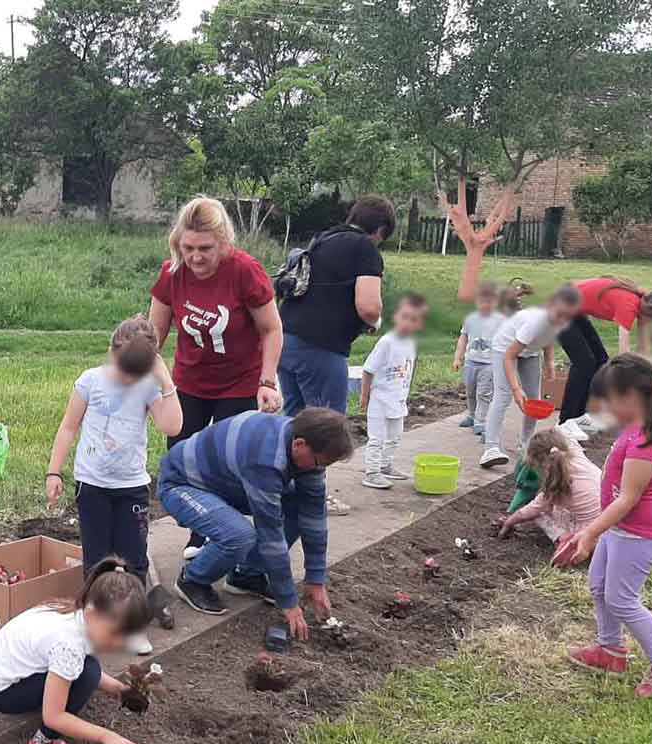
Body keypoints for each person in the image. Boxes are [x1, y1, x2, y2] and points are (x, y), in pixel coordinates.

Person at [148, 196, 285, 553]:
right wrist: (139, 375)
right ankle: (200, 529)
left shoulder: (244, 271)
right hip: (190, 381)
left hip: (239, 382)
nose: (195, 257)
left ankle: (227, 537)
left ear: (224, 241)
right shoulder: (172, 273)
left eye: (205, 248)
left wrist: (267, 381)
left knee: (229, 461)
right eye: (188, 247)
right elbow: (154, 334)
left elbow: (271, 328)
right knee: (183, 460)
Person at [157, 408, 354, 640]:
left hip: (226, 482)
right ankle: (193, 580)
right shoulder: (266, 459)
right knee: (239, 535)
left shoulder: (306, 447)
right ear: (299, 444)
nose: (320, 469)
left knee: (298, 504)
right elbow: (270, 534)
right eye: (320, 462)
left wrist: (316, 579)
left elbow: (314, 517)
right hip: (182, 484)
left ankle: (247, 575)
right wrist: (288, 601)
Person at [46, 315, 184, 647]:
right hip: (91, 485)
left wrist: (165, 380)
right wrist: (54, 470)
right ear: (111, 351)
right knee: (96, 560)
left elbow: (172, 427)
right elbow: (68, 426)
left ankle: (133, 627)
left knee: (135, 560)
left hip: (131, 487)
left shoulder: (150, 388)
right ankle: (93, 622)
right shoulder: (90, 382)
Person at [565, 355, 652, 698]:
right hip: (622, 529)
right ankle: (610, 650)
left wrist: (591, 530)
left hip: (641, 534)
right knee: (600, 585)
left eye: (610, 399)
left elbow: (628, 498)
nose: (605, 406)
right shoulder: (635, 430)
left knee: (622, 599)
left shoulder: (646, 442)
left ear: (631, 397)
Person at [277, 197, 394, 515]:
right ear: (380, 230)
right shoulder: (364, 248)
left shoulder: (322, 239)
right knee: (325, 427)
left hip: (286, 339)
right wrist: (375, 321)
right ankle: (314, 497)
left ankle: (284, 487)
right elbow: (369, 307)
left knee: (294, 420)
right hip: (322, 347)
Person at [0, 558, 151, 744]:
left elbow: (79, 664)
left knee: (88, 668)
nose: (119, 643)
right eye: (116, 634)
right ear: (92, 614)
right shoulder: (68, 644)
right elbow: (54, 717)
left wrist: (120, 690)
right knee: (87, 673)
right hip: (3, 693)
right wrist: (107, 736)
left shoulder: (77, 615)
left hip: (7, 671)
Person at [480, 284, 581, 468]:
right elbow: (509, 356)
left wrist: (549, 363)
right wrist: (516, 389)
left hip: (531, 352)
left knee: (534, 399)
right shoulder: (535, 322)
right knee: (503, 396)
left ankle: (526, 446)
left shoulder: (561, 321)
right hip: (505, 348)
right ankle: (491, 448)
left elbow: (549, 338)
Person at [559, 277, 652, 435]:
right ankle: (565, 422)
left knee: (600, 361)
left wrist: (650, 372)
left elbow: (643, 347)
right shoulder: (628, 305)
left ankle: (579, 418)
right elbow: (623, 353)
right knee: (585, 364)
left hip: (573, 310)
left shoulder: (645, 304)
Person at [497, 429, 601, 560]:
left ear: (541, 463)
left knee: (540, 514)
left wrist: (509, 522)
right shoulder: (576, 453)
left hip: (587, 536)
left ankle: (564, 538)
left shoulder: (557, 484)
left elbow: (533, 509)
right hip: (609, 522)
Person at [361, 293, 425, 490]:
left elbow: (410, 369)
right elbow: (368, 369)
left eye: (413, 319)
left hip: (398, 398)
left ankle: (385, 465)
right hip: (380, 398)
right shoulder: (387, 342)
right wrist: (365, 396)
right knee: (377, 437)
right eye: (404, 316)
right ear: (396, 316)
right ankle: (372, 472)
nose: (407, 322)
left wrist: (407, 391)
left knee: (395, 436)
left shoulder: (412, 343)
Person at [452, 280, 501, 435]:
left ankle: (481, 421)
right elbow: (463, 338)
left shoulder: (501, 320)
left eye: (490, 301)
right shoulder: (471, 319)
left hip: (489, 364)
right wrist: (457, 358)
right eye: (482, 301)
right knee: (470, 391)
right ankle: (472, 415)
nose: (485, 304)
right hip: (471, 361)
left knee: (484, 393)